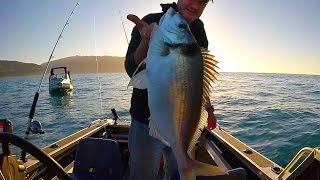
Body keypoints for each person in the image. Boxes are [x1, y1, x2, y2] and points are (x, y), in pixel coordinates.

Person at [124, 0, 216, 179]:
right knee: (143, 175)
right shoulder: (151, 21)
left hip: (185, 125)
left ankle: (185, 165)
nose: (196, 6)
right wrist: (145, 41)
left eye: (203, 1)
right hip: (145, 121)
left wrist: (209, 109)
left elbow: (199, 77)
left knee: (175, 173)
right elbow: (130, 68)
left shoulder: (198, 29)